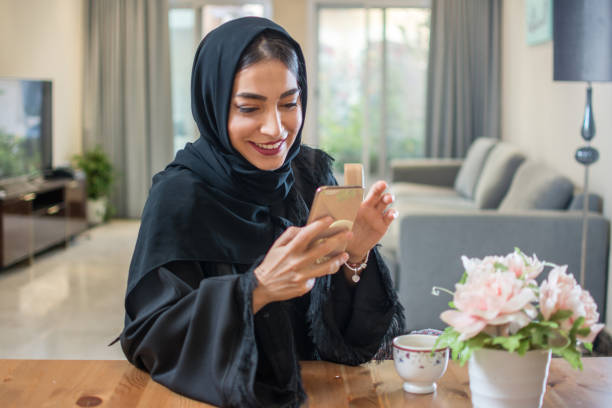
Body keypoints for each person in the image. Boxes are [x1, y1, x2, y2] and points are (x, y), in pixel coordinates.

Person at [120, 17, 404, 408]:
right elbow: (152, 337)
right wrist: (257, 289)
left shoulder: (309, 173)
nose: (276, 129)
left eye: (289, 103)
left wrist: (355, 256)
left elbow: (344, 347)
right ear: (214, 104)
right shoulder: (179, 196)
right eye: (249, 108)